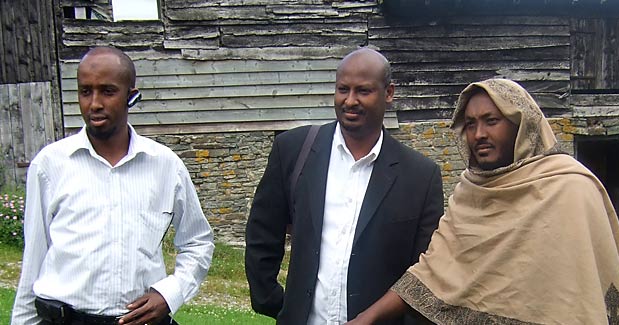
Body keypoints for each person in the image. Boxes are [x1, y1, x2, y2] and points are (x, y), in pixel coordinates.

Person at [347, 78, 619, 324]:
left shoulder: (571, 187)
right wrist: (366, 318)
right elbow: (432, 270)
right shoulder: (470, 193)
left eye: (491, 121)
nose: (479, 134)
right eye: (471, 124)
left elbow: (580, 295)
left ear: (521, 124)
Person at [11, 46, 215, 325]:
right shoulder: (50, 165)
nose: (94, 103)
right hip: (67, 318)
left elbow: (198, 241)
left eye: (108, 91)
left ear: (131, 96)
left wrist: (171, 294)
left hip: (140, 320)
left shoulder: (165, 165)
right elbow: (34, 257)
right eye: (85, 91)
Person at [244, 47, 445, 324]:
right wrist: (273, 301)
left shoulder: (420, 176)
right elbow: (262, 231)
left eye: (363, 91)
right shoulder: (294, 150)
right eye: (343, 89)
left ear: (388, 93)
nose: (350, 101)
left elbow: (424, 271)